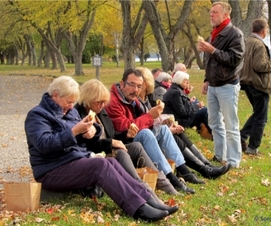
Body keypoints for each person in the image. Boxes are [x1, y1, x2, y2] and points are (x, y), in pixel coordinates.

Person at [24, 75, 177, 222]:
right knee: (100, 165)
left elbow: (82, 137)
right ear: (55, 95)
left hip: (71, 161)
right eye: (68, 102)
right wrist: (74, 132)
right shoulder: (37, 115)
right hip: (51, 170)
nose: (71, 106)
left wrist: (92, 131)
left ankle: (147, 198)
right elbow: (45, 144)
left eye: (73, 102)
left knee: (111, 161)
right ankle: (138, 208)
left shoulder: (69, 112)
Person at [105, 69, 202, 194]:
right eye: (132, 85)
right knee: (146, 134)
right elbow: (124, 128)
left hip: (134, 137)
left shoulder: (131, 98)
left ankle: (184, 170)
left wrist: (157, 120)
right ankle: (171, 179)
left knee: (163, 130)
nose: (135, 90)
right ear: (122, 84)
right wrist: (150, 116)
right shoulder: (113, 101)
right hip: (122, 142)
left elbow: (142, 121)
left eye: (139, 86)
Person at [74, 79, 178, 195]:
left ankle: (164, 183)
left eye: (104, 102)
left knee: (136, 146)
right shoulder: (78, 114)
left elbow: (112, 134)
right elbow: (84, 145)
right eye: (99, 102)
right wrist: (110, 142)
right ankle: (142, 189)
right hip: (96, 154)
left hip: (109, 147)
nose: (102, 106)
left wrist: (125, 134)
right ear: (88, 99)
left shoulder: (100, 112)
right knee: (121, 153)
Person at [138, 67, 230, 179]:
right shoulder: (174, 92)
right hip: (174, 122)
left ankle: (206, 165)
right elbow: (182, 112)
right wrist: (195, 106)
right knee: (199, 116)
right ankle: (203, 168)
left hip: (166, 124)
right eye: (186, 81)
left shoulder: (147, 98)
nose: (187, 83)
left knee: (180, 134)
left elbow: (150, 121)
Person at [197, 1, 245, 168]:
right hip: (213, 86)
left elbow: (234, 59)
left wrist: (212, 50)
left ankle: (233, 161)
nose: (211, 15)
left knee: (231, 124)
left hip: (227, 85)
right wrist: (206, 79)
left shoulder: (235, 34)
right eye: (211, 12)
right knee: (215, 123)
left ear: (226, 15)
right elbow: (209, 61)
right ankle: (219, 156)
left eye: (215, 12)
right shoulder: (213, 34)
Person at [239, 19, 271, 155]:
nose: (267, 32)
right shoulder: (258, 44)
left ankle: (242, 136)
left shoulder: (246, 42)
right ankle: (252, 148)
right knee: (261, 117)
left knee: (258, 114)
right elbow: (260, 65)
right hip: (258, 84)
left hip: (247, 82)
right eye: (267, 29)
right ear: (263, 30)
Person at [163, 71, 212, 138]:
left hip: (180, 118)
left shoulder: (176, 90)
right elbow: (183, 113)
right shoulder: (175, 93)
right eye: (186, 81)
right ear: (180, 81)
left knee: (201, 107)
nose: (188, 83)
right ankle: (214, 133)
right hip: (180, 121)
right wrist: (197, 106)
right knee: (204, 111)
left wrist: (194, 104)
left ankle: (206, 132)